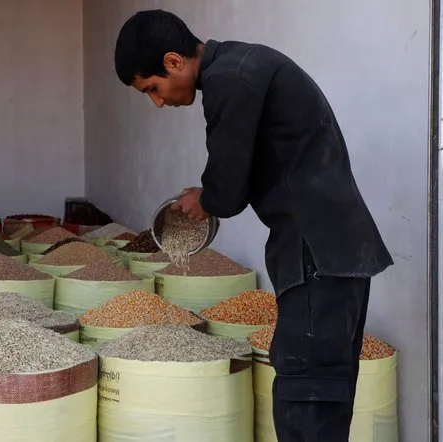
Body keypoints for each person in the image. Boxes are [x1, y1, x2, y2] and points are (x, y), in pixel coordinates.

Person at [114, 9, 393, 442]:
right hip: (335, 252)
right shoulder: (245, 64)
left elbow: (226, 193)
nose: (157, 101)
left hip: (315, 254)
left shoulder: (230, 80)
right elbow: (239, 174)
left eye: (153, 88)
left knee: (306, 403)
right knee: (324, 399)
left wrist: (204, 198)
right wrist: (208, 193)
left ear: (173, 61)